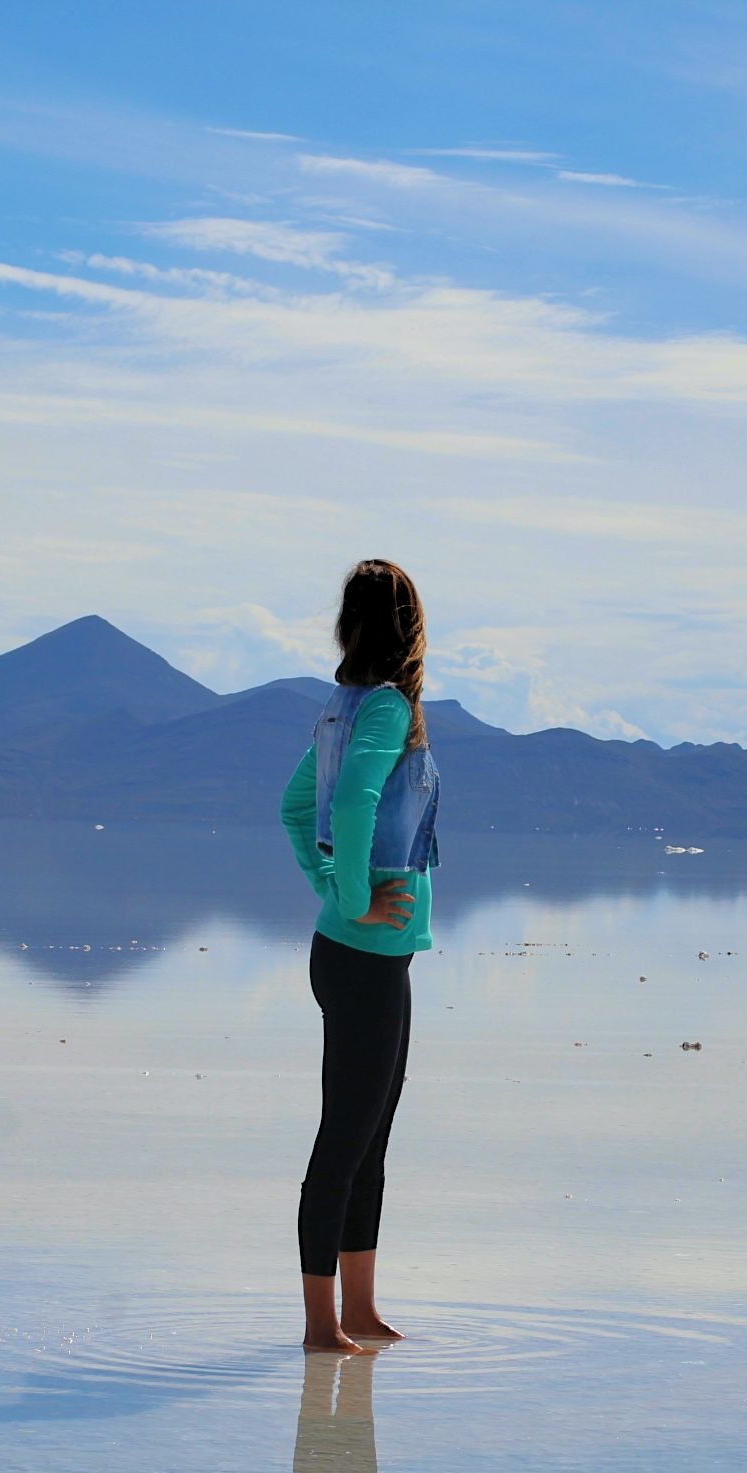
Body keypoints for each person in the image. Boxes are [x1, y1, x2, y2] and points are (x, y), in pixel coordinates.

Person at [277, 559, 441, 1354]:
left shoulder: (343, 709)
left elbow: (293, 808)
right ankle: (320, 1324)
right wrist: (352, 900)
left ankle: (361, 1310)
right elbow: (344, 804)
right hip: (362, 954)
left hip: (369, 955)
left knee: (370, 1139)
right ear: (410, 628)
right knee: (344, 1140)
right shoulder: (385, 711)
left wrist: (331, 892)